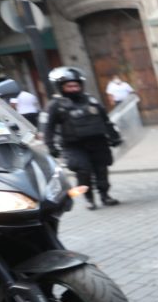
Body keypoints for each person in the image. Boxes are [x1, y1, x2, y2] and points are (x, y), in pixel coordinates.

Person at [44, 67, 121, 210]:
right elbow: (49, 128)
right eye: (69, 86)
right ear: (60, 87)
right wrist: (51, 146)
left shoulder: (91, 100)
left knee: (101, 170)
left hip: (98, 143)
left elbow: (105, 120)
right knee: (83, 171)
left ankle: (105, 195)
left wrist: (114, 136)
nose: (74, 89)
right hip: (74, 146)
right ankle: (88, 198)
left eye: (76, 85)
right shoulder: (55, 105)